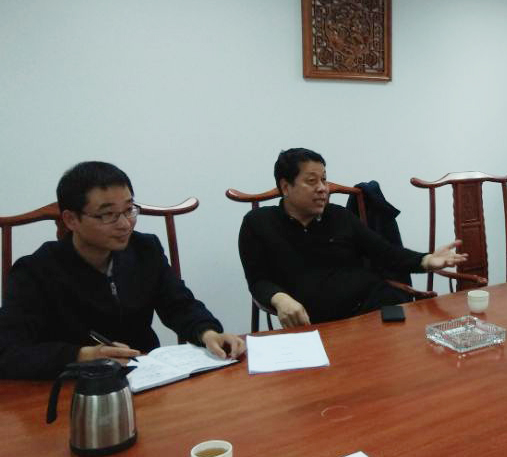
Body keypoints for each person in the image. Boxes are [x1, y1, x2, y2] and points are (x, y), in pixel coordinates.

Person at [0, 161, 245, 380]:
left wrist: (207, 332)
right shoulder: (35, 271)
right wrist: (83, 355)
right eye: (108, 214)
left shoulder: (145, 249)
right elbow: (9, 352)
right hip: (70, 389)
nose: (125, 224)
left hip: (146, 377)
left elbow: (179, 305)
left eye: (129, 210)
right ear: (71, 219)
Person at [238, 148, 467, 327]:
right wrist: (279, 298)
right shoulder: (258, 224)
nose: (323, 188)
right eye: (312, 181)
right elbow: (258, 280)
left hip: (374, 309)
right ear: (286, 187)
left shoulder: (339, 216)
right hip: (318, 324)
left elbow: (385, 252)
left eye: (324, 180)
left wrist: (426, 260)